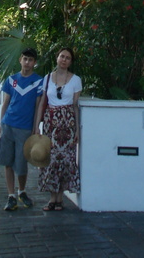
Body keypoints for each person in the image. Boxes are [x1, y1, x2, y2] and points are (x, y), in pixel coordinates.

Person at [34, 47, 82, 211]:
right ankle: (52, 198)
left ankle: (60, 198)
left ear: (71, 61)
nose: (64, 60)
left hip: (67, 124)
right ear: (57, 58)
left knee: (66, 160)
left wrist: (77, 130)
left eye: (68, 58)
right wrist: (37, 126)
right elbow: (42, 103)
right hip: (51, 123)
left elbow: (75, 105)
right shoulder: (47, 78)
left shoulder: (76, 80)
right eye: (62, 56)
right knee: (51, 160)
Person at [0, 47, 43, 211]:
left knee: (21, 164)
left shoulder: (38, 81)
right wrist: (0, 127)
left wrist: (35, 127)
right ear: (20, 60)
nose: (27, 62)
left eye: (30, 60)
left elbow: (38, 106)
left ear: (34, 63)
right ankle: (11, 196)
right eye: (25, 59)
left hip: (25, 129)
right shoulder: (11, 80)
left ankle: (22, 191)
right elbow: (5, 103)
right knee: (7, 162)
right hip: (8, 125)